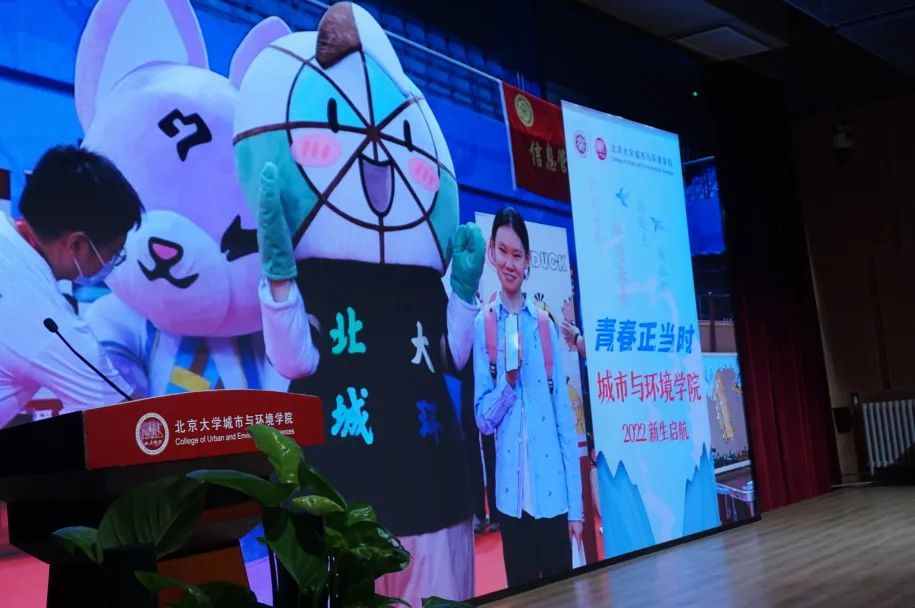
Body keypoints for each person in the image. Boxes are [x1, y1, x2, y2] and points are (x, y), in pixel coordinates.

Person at [473, 207, 584, 587]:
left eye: (517, 254)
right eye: (502, 251)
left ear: (528, 261)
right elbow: (482, 420)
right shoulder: (484, 324)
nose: (509, 262)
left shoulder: (544, 325)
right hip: (511, 503)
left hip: (554, 501)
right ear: (491, 251)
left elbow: (563, 422)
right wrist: (507, 384)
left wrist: (576, 510)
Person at [0, 145, 143, 427]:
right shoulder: (48, 322)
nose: (112, 262)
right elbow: (129, 417)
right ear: (77, 244)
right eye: (114, 253)